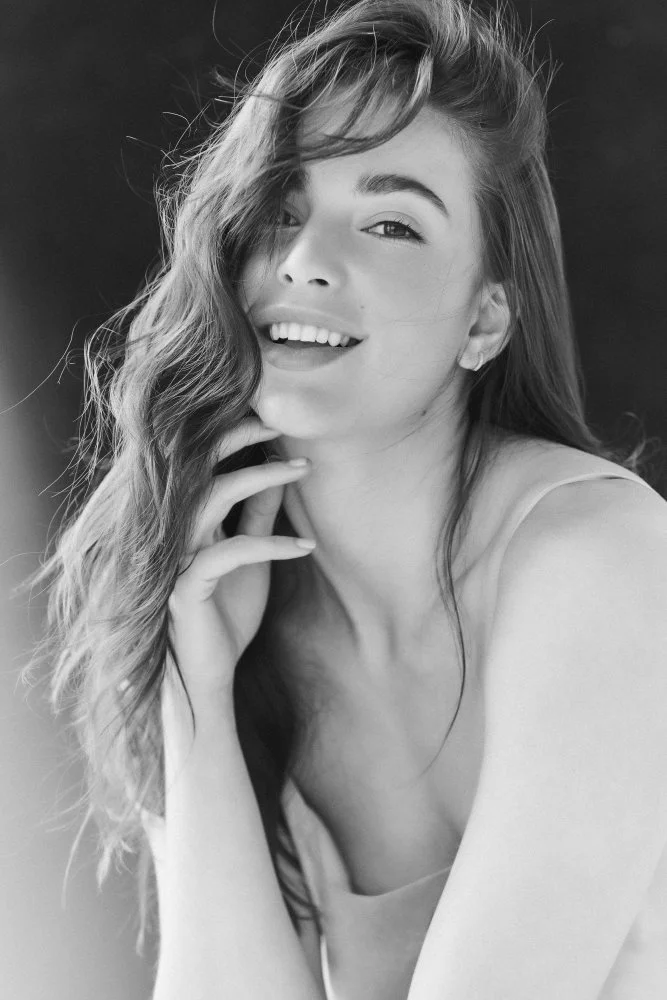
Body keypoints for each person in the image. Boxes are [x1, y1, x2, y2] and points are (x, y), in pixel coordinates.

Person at [20, 0, 667, 998]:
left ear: (484, 319)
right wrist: (196, 694)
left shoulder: (598, 559)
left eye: (391, 223)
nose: (305, 261)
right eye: (280, 209)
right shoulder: (228, 616)